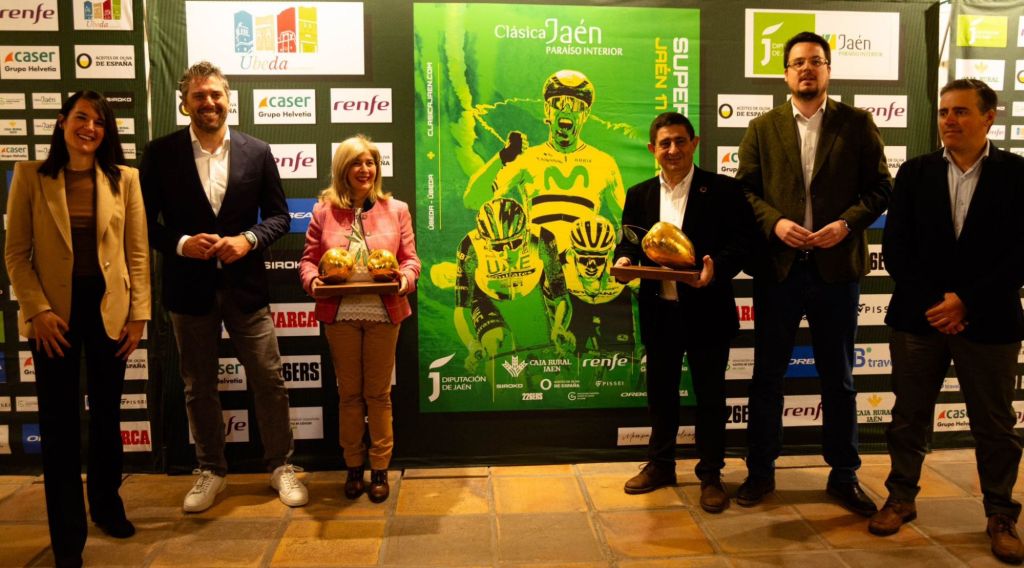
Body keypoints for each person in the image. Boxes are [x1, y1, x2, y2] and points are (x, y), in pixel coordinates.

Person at [735, 31, 891, 516]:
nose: (807, 68)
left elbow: (881, 188)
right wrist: (775, 223)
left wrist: (845, 224)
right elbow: (744, 192)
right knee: (766, 376)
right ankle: (761, 471)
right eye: (798, 62)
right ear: (786, 73)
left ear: (828, 70)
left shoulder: (857, 124)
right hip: (778, 270)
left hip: (836, 270)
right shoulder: (762, 127)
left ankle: (844, 475)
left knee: (839, 379)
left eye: (816, 61)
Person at [140, 61, 307, 512]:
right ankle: (211, 469)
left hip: (245, 288)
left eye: (215, 94)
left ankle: (281, 465)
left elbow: (279, 216)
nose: (209, 102)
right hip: (188, 290)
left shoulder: (257, 151)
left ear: (228, 99)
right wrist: (181, 244)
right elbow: (143, 222)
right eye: (199, 96)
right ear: (185, 103)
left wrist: (247, 239)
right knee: (199, 386)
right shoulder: (160, 153)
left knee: (269, 379)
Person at [870, 79, 1024, 564]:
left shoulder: (1018, 174)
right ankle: (900, 498)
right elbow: (896, 249)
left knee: (995, 426)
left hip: (990, 321)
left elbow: (1021, 255)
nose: (949, 120)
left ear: (989, 117)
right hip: (919, 319)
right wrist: (940, 304)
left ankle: (1001, 514)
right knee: (908, 417)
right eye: (943, 112)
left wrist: (967, 303)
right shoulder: (915, 173)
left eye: (960, 111)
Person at [5, 90, 150, 568]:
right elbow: (16, 254)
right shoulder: (30, 176)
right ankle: (67, 537)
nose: (90, 128)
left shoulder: (125, 179)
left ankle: (107, 506)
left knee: (107, 417)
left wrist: (138, 314)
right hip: (54, 318)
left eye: (99, 122)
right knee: (59, 425)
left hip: (110, 312)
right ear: (62, 121)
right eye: (81, 118)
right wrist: (37, 310)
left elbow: (137, 252)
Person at [613, 112, 754, 513]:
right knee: (661, 394)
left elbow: (742, 244)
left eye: (679, 141)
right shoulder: (639, 194)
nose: (672, 149)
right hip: (659, 311)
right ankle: (660, 465)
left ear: (695, 143)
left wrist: (715, 269)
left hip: (708, 311)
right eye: (664, 143)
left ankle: (711, 475)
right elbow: (630, 242)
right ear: (652, 149)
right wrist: (623, 262)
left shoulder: (723, 190)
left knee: (710, 396)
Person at [299, 135, 421, 503]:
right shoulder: (323, 211)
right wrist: (313, 281)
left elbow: (411, 261)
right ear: (343, 169)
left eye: (370, 163)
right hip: (341, 316)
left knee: (378, 395)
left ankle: (380, 468)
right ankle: (353, 466)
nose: (364, 169)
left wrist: (404, 280)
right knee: (349, 396)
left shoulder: (396, 209)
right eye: (356, 163)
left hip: (384, 314)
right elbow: (308, 261)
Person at [463, 69, 625, 253]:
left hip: (583, 263)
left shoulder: (604, 163)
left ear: (585, 114)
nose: (566, 110)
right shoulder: (528, 159)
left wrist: (618, 257)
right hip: (537, 261)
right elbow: (473, 199)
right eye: (558, 103)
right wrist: (503, 156)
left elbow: (627, 223)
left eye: (575, 104)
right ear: (547, 109)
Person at [453, 198, 574, 376]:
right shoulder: (470, 246)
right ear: (484, 240)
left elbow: (561, 296)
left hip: (529, 296)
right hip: (488, 299)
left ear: (526, 232)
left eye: (514, 244)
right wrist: (472, 345)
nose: (506, 254)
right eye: (497, 247)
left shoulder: (542, 238)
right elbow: (461, 309)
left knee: (539, 367)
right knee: (496, 344)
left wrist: (559, 327)